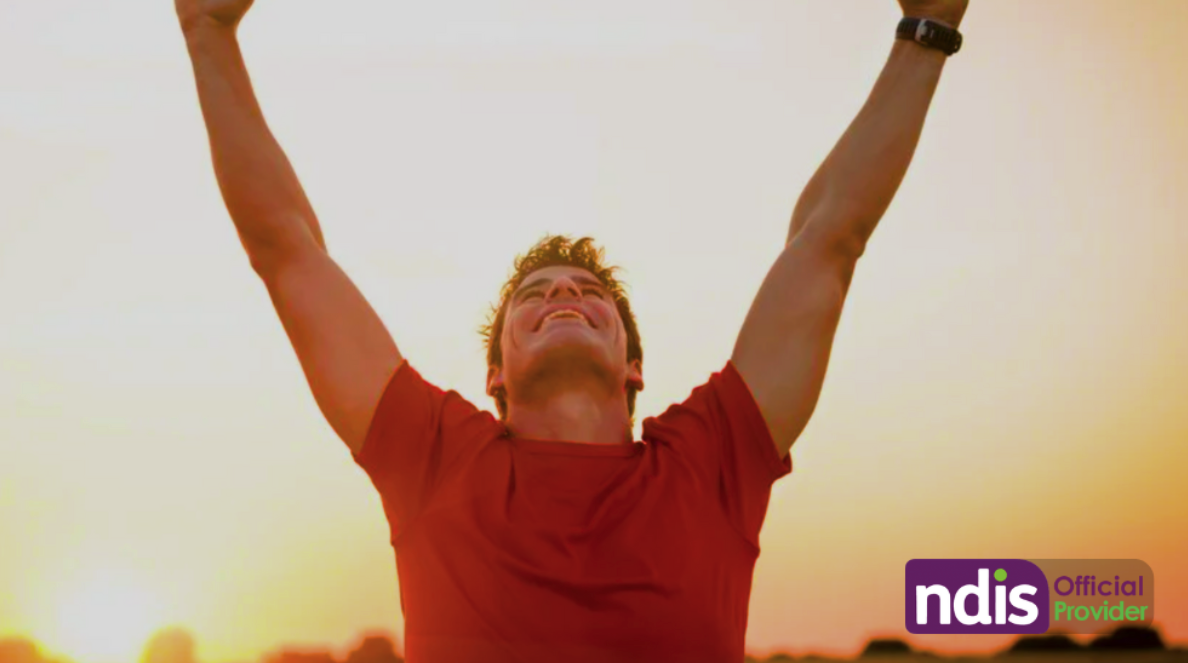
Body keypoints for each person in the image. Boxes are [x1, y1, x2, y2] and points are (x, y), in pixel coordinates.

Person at [174, 0, 969, 661]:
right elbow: (287, 251)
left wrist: (927, 32)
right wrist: (208, 33)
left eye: (591, 293)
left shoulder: (711, 460)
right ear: (494, 374)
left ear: (634, 366)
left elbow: (829, 240)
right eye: (537, 294)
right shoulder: (435, 458)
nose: (563, 294)